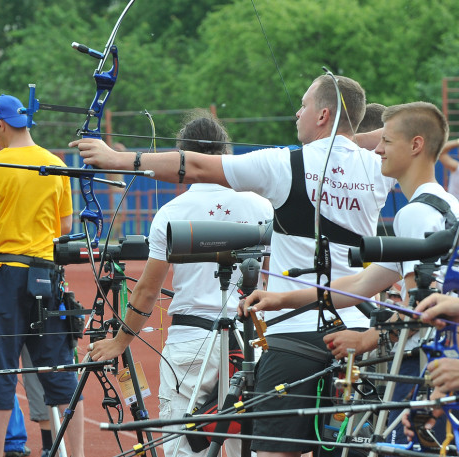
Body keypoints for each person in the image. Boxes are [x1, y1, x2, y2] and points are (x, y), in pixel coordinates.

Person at [73, 74, 397, 457]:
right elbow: (408, 131)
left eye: (305, 104)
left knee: (274, 452)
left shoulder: (282, 164)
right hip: (355, 328)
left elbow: (192, 166)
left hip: (292, 334)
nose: (297, 112)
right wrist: (350, 139)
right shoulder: (380, 166)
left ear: (323, 114)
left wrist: (118, 160)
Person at [240, 102, 459, 444]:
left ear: (416, 146)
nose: (378, 149)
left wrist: (366, 339)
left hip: (426, 367)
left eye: (386, 141)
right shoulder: (441, 206)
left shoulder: (416, 213)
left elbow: (422, 309)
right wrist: (283, 298)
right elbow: (360, 284)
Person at [88, 110, 274, 457]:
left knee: (182, 448)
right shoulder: (262, 205)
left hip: (190, 344)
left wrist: (119, 341)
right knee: (245, 446)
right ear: (225, 153)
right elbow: (272, 279)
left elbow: (147, 290)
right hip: (248, 344)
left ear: (181, 158)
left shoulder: (173, 211)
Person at [0, 94, 84, 457]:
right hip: (47, 275)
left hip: (6, 273)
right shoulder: (55, 163)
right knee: (59, 365)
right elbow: (65, 226)